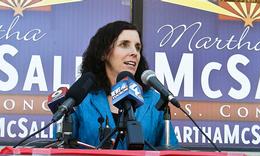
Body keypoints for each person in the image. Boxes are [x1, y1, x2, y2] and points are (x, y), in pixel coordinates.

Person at [71, 21, 179, 149]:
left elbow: (171, 149)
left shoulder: (154, 100)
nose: (134, 52)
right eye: (124, 45)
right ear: (103, 53)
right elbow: (60, 147)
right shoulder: (81, 99)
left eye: (138, 47)